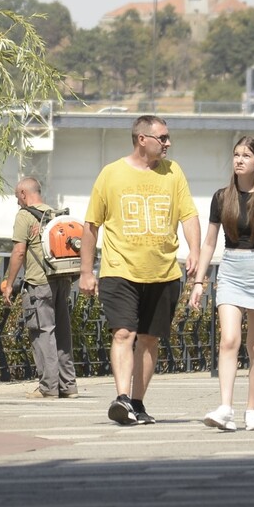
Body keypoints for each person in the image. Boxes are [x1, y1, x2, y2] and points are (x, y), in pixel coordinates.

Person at [80, 115, 200, 426]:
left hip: (163, 272)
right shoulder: (111, 174)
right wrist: (86, 272)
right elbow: (91, 225)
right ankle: (121, 398)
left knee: (149, 340)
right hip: (120, 270)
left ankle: (136, 402)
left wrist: (196, 252)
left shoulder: (173, 173)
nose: (168, 143)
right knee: (123, 332)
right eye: (163, 138)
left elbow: (189, 216)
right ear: (142, 139)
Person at [189, 136, 254, 432]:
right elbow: (210, 242)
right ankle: (225, 408)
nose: (239, 160)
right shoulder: (222, 197)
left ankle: (252, 410)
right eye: (236, 155)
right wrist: (199, 281)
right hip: (232, 268)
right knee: (229, 339)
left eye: (246, 155)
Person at [1, 176, 79, 399]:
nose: (17, 202)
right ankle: (68, 385)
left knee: (43, 332)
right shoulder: (55, 214)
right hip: (61, 279)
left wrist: (8, 284)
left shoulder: (25, 216)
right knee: (62, 332)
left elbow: (19, 252)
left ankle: (48, 388)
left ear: (24, 194)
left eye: (18, 197)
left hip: (38, 283)